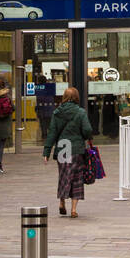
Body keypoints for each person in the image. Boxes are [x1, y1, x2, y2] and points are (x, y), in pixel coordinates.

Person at [42, 86, 93, 218]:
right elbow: (87, 130)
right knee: (77, 178)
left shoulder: (57, 113)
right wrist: (86, 136)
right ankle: (73, 209)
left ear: (64, 97)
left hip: (63, 148)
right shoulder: (80, 112)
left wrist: (46, 152)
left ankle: (61, 202)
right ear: (76, 97)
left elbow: (52, 133)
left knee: (64, 176)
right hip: (76, 148)